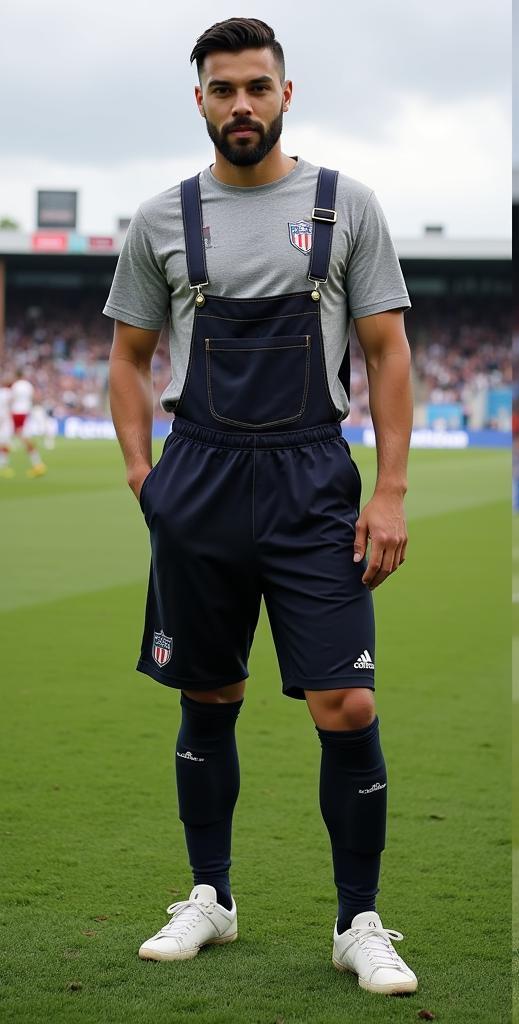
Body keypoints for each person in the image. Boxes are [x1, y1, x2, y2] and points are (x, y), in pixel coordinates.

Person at [104, 18, 417, 994]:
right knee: (210, 694)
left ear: (287, 92)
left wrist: (393, 489)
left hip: (309, 476)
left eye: (257, 86)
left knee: (347, 699)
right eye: (223, 88)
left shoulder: (342, 204)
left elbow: (388, 352)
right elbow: (127, 358)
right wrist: (141, 474)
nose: (242, 103)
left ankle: (358, 918)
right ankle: (211, 897)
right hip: (196, 474)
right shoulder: (161, 218)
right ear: (198, 98)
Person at [5, 375, 47, 477]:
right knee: (19, 437)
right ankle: (37, 463)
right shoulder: (28, 385)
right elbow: (33, 397)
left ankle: (37, 464)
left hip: (16, 412)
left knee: (10, 437)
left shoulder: (15, 385)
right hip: (26, 412)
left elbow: (12, 399)